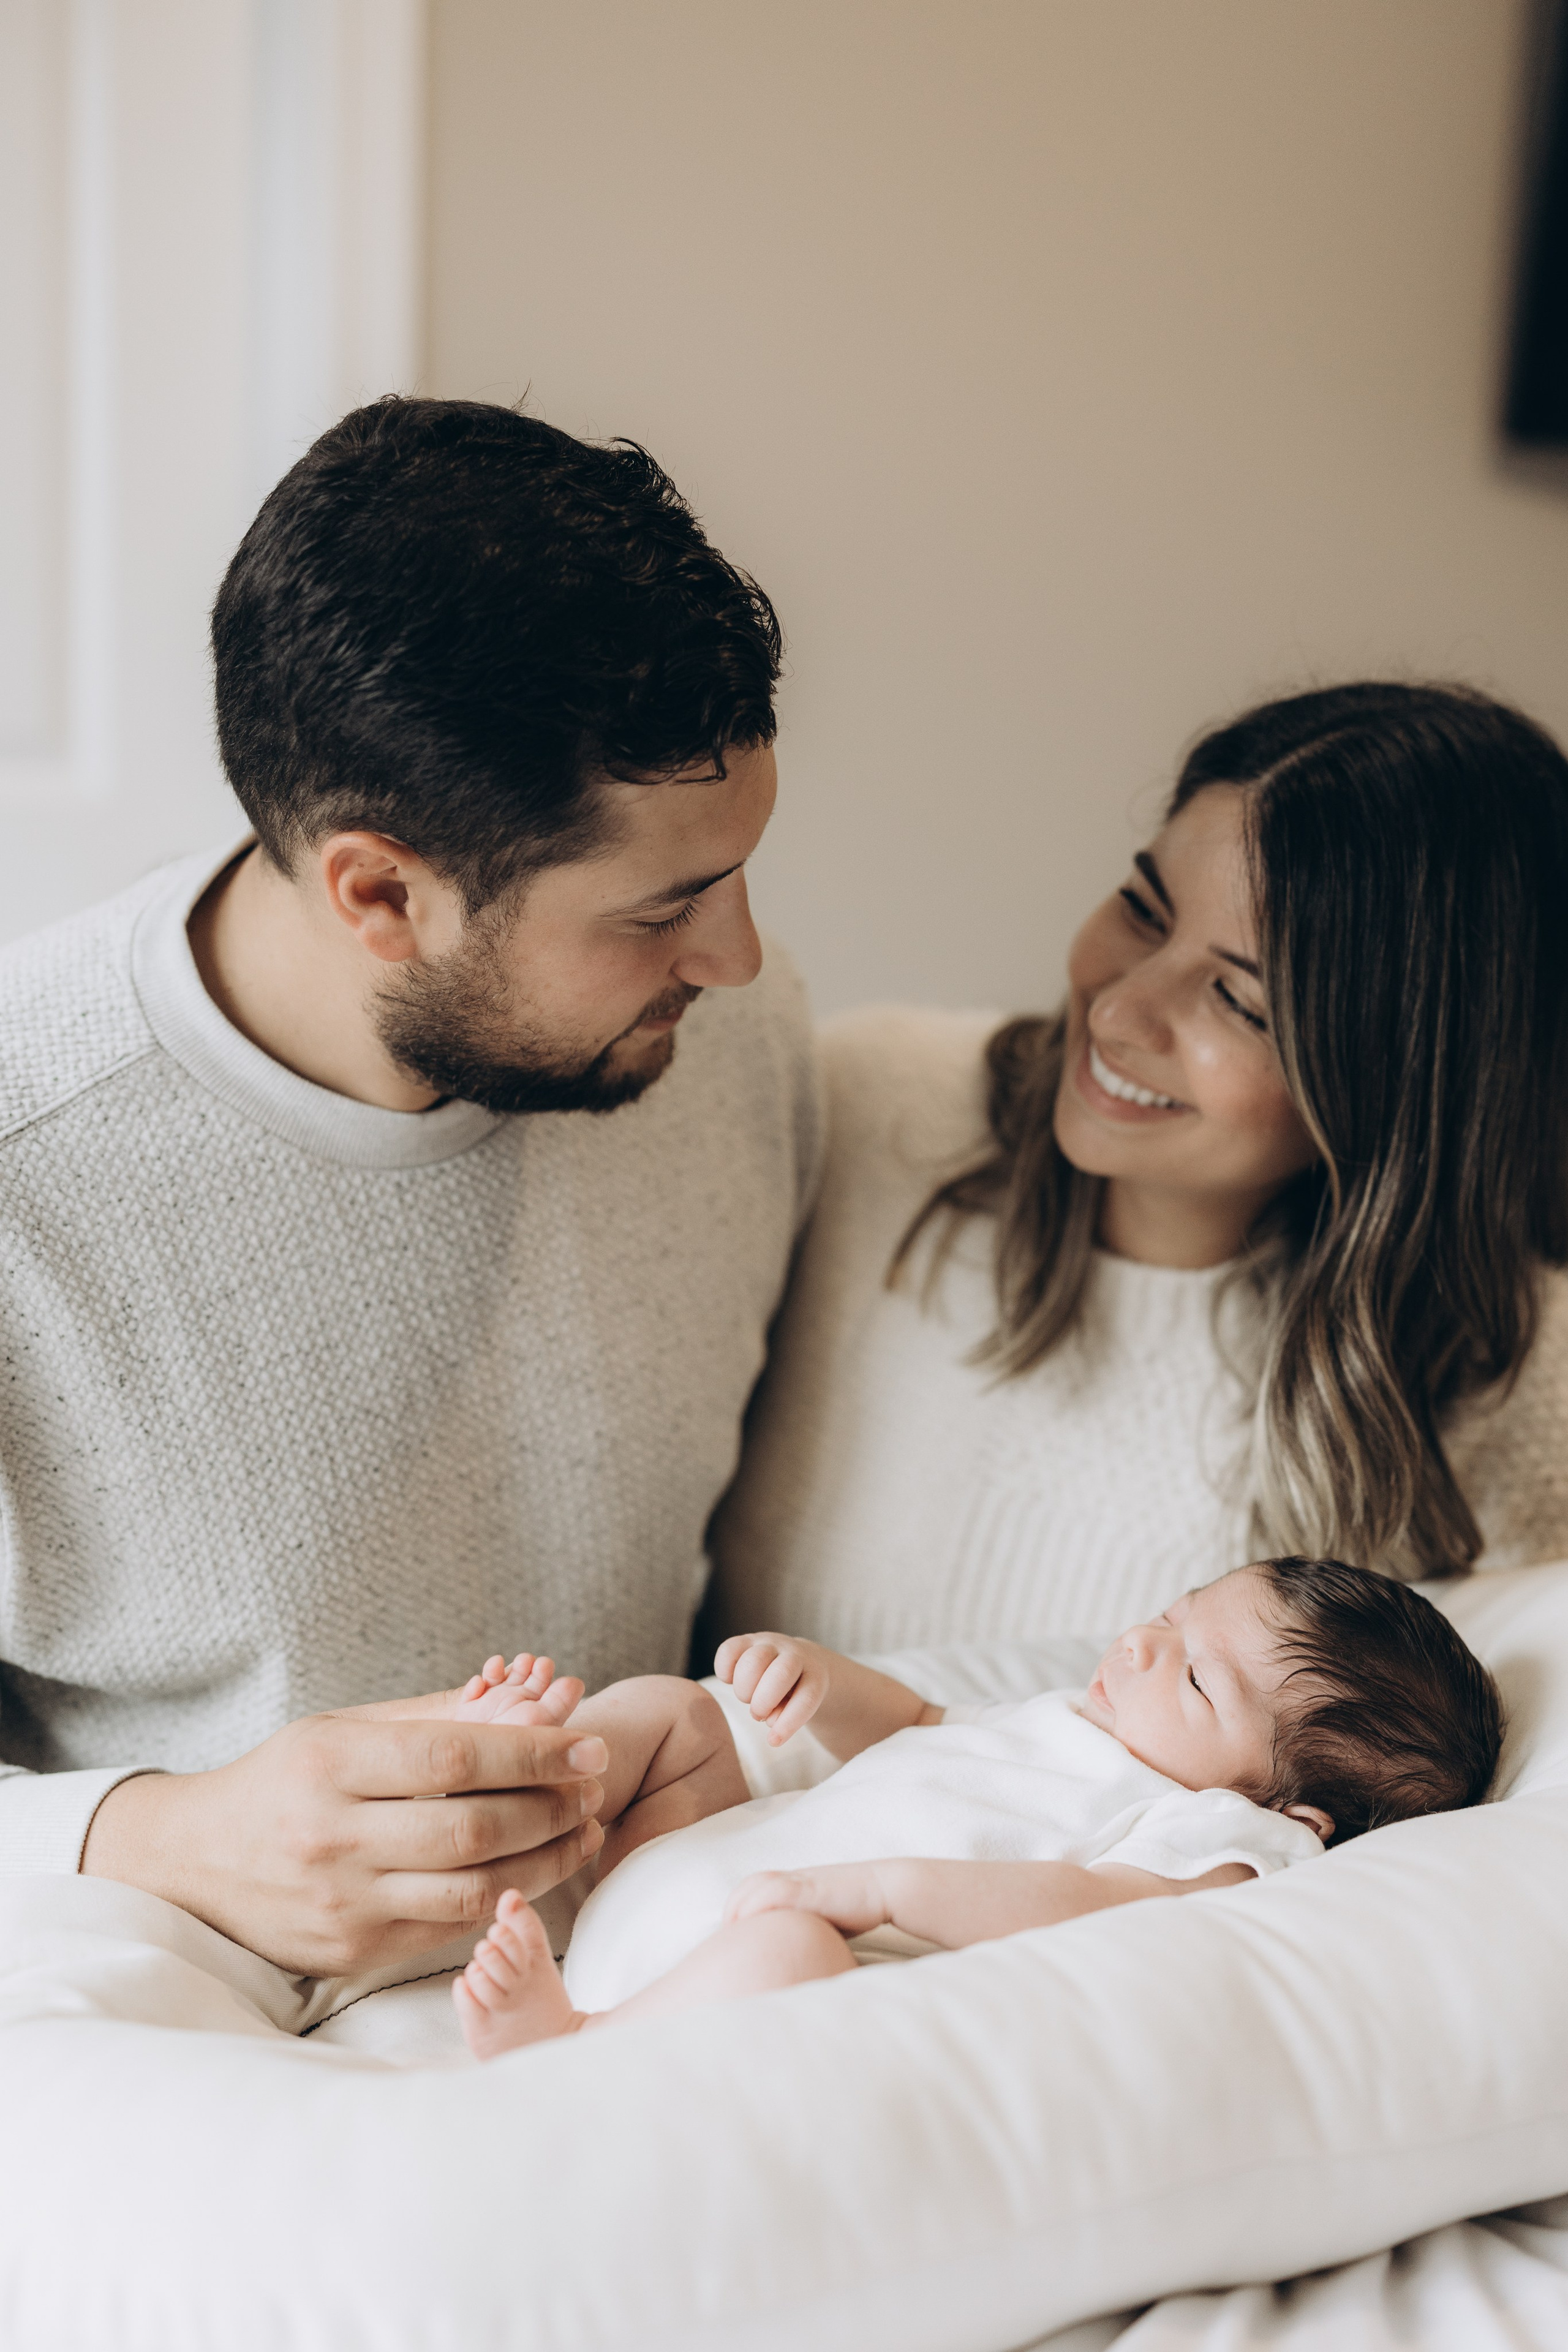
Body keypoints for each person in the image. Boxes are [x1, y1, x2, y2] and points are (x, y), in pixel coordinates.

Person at [0, 397, 820, 1981]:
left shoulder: (728, 1040)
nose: (738, 959)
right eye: (666, 908)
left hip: (683, 1994)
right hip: (199, 2054)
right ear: (380, 891)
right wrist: (157, 1831)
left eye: (735, 873)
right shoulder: (26, 1178)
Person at [710, 684, 1568, 1665]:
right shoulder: (873, 1105)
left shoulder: (1513, 1381)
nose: (1121, 1011)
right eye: (1143, 911)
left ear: (1402, 1088)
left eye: (1240, 1003)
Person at [438, 1558, 1502, 2053]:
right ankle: (523, 1767)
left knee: (795, 1952)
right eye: (1171, 1619)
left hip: (744, 1971)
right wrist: (820, 1680)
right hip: (697, 1874)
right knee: (678, 1717)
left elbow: (1093, 1904)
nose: (1138, 1647)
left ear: (1301, 1812)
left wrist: (885, 1889)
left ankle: (572, 2040)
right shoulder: (1070, 1719)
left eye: (1192, 1680)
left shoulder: (1227, 1835)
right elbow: (919, 1722)